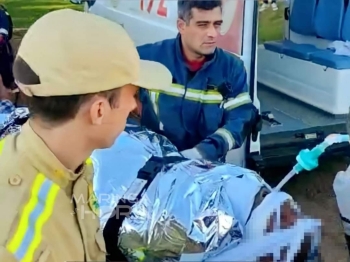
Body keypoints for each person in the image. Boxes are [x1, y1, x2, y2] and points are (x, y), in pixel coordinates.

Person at [0, 8, 171, 262]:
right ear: (99, 111)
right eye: (133, 95)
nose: (135, 108)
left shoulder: (72, 164)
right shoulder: (16, 240)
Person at [136, 0, 258, 162]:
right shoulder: (147, 59)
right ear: (181, 26)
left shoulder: (231, 68)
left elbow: (240, 119)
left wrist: (203, 152)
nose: (213, 33)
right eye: (203, 25)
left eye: (217, 24)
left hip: (206, 168)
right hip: (153, 164)